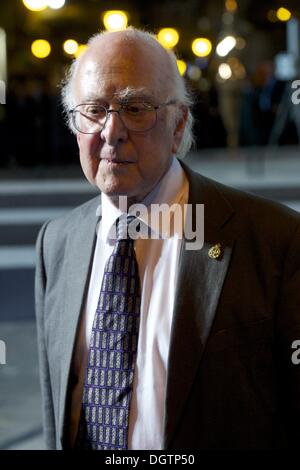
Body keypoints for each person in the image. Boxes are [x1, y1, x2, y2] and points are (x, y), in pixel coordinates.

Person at [35, 27, 300, 450]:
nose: (110, 131)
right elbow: (57, 415)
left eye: (135, 108)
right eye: (93, 110)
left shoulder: (275, 239)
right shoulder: (56, 243)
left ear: (178, 125)